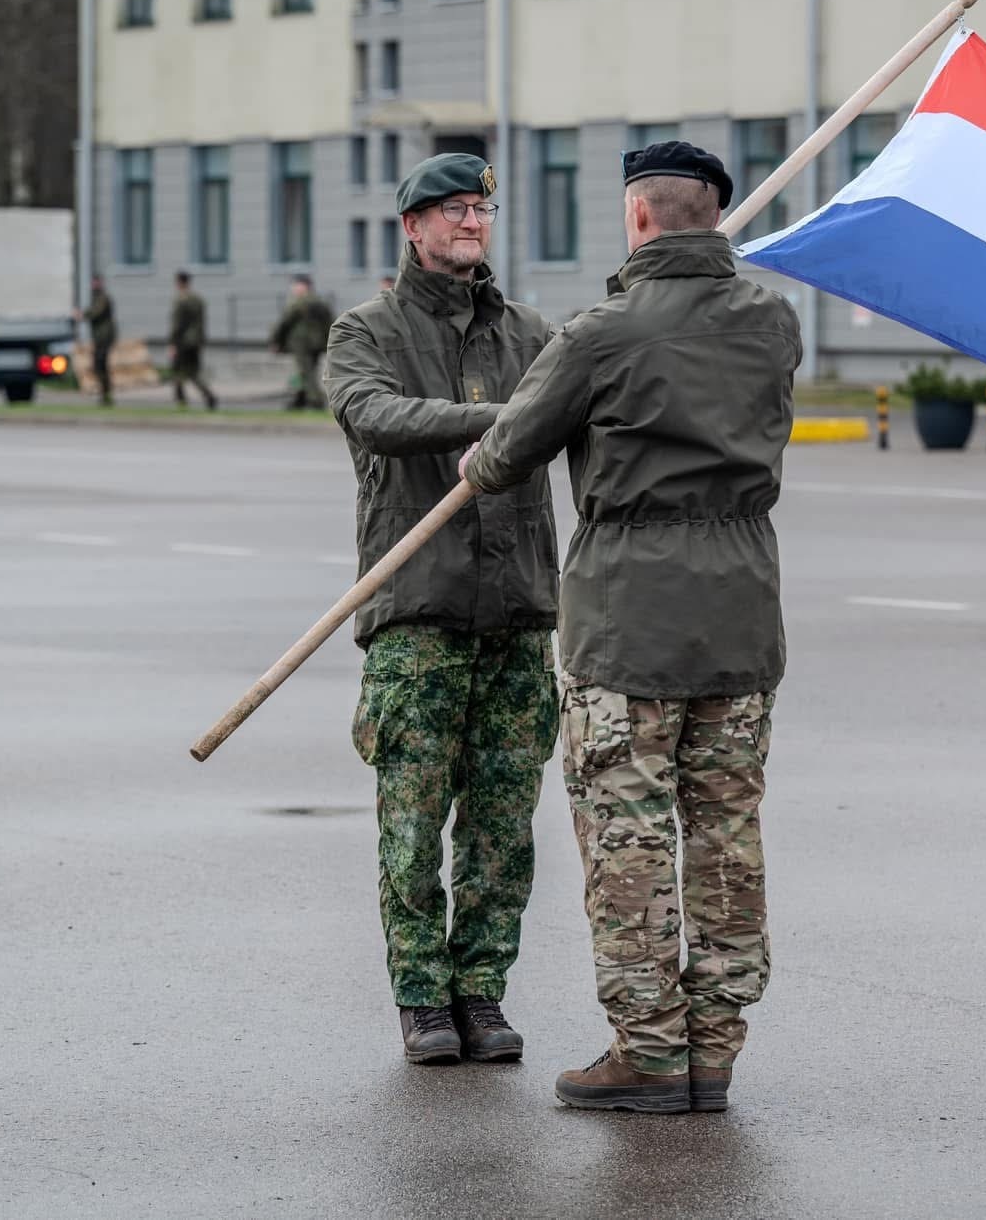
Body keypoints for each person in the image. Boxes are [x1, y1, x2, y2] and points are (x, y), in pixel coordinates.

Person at [460, 141, 800, 1115]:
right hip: (740, 615)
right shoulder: (772, 325)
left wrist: (477, 464)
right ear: (712, 216)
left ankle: (647, 1049)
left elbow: (509, 451)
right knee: (725, 834)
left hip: (627, 623)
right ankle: (714, 1049)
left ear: (639, 217)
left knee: (628, 837)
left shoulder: (599, 333)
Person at [324, 153, 559, 1067]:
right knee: (414, 822)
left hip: (517, 607)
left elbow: (586, 400)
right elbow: (372, 414)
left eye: (483, 208)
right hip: (417, 610)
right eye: (454, 210)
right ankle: (422, 997)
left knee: (503, 825)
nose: (472, 222)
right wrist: (500, 425)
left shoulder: (535, 335)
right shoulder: (365, 332)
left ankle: (482, 991)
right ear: (412, 227)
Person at [269, 275, 334, 410]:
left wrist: (275, 340)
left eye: (295, 285)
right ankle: (301, 398)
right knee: (308, 371)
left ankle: (315, 400)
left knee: (306, 372)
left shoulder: (299, 302)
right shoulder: (320, 302)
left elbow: (284, 322)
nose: (293, 289)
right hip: (317, 343)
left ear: (303, 286)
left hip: (302, 343)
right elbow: (330, 322)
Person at [168, 270, 218, 411]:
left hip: (183, 341)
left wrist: (172, 343)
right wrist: (201, 341)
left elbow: (177, 324)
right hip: (195, 341)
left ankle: (181, 400)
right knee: (193, 372)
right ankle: (209, 396)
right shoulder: (198, 299)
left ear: (179, 282)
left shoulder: (180, 300)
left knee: (177, 371)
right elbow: (202, 322)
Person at [83, 275, 117, 407]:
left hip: (104, 337)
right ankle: (105, 394)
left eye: (96, 283)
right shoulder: (96, 298)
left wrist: (82, 315)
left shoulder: (103, 297)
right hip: (99, 337)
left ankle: (106, 395)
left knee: (101, 364)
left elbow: (96, 312)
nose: (94, 285)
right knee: (99, 365)